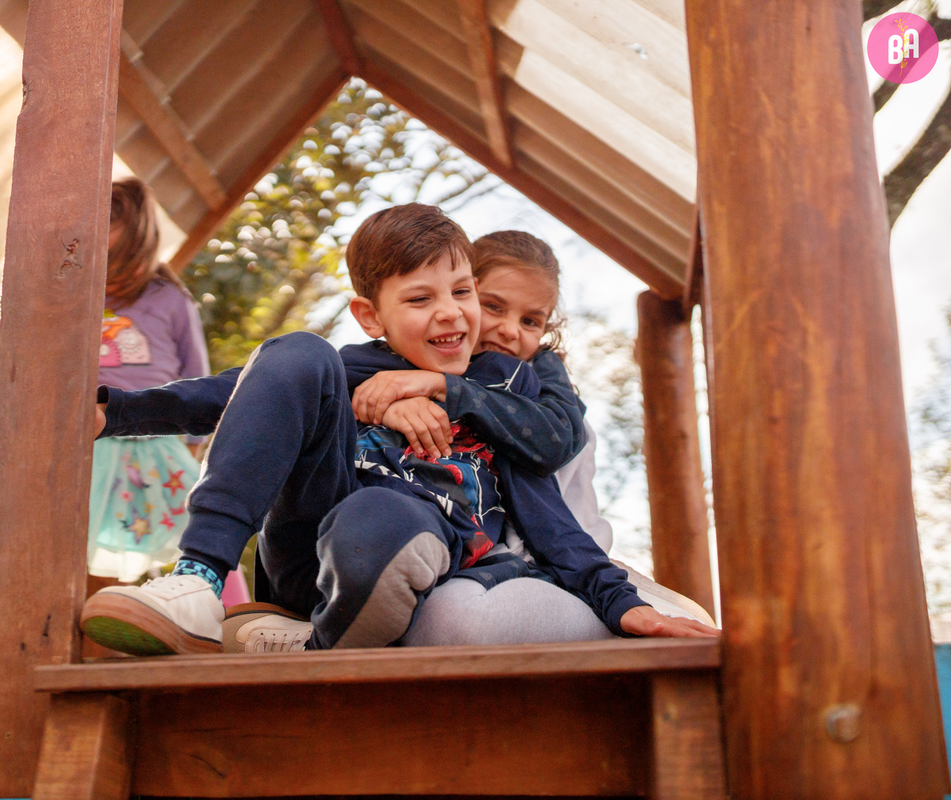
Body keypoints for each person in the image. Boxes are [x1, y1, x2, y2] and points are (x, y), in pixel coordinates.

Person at [80, 203, 717, 656]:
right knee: (295, 351)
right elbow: (228, 394)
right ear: (370, 314)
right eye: (420, 299)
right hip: (311, 552)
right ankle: (198, 578)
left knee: (384, 515)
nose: (453, 314)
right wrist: (117, 414)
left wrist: (620, 602)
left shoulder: (505, 386)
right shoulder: (349, 367)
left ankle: (313, 646)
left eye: (462, 292)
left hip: (403, 550)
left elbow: (551, 514)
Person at [354, 230, 714, 646]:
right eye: (493, 306)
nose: (509, 330)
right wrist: (388, 403)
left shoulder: (534, 390)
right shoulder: (390, 368)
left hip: (567, 557)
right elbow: (332, 379)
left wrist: (442, 387)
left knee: (677, 622)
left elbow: (551, 444)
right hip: (463, 559)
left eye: (530, 321)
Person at [0, 179, 210, 584]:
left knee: (138, 554)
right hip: (78, 434)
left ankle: (135, 614)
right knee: (53, 544)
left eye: (120, 258)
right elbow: (35, 354)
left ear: (141, 248)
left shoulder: (170, 299)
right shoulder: (77, 294)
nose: (111, 272)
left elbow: (198, 377)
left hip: (149, 447)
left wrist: (194, 445)